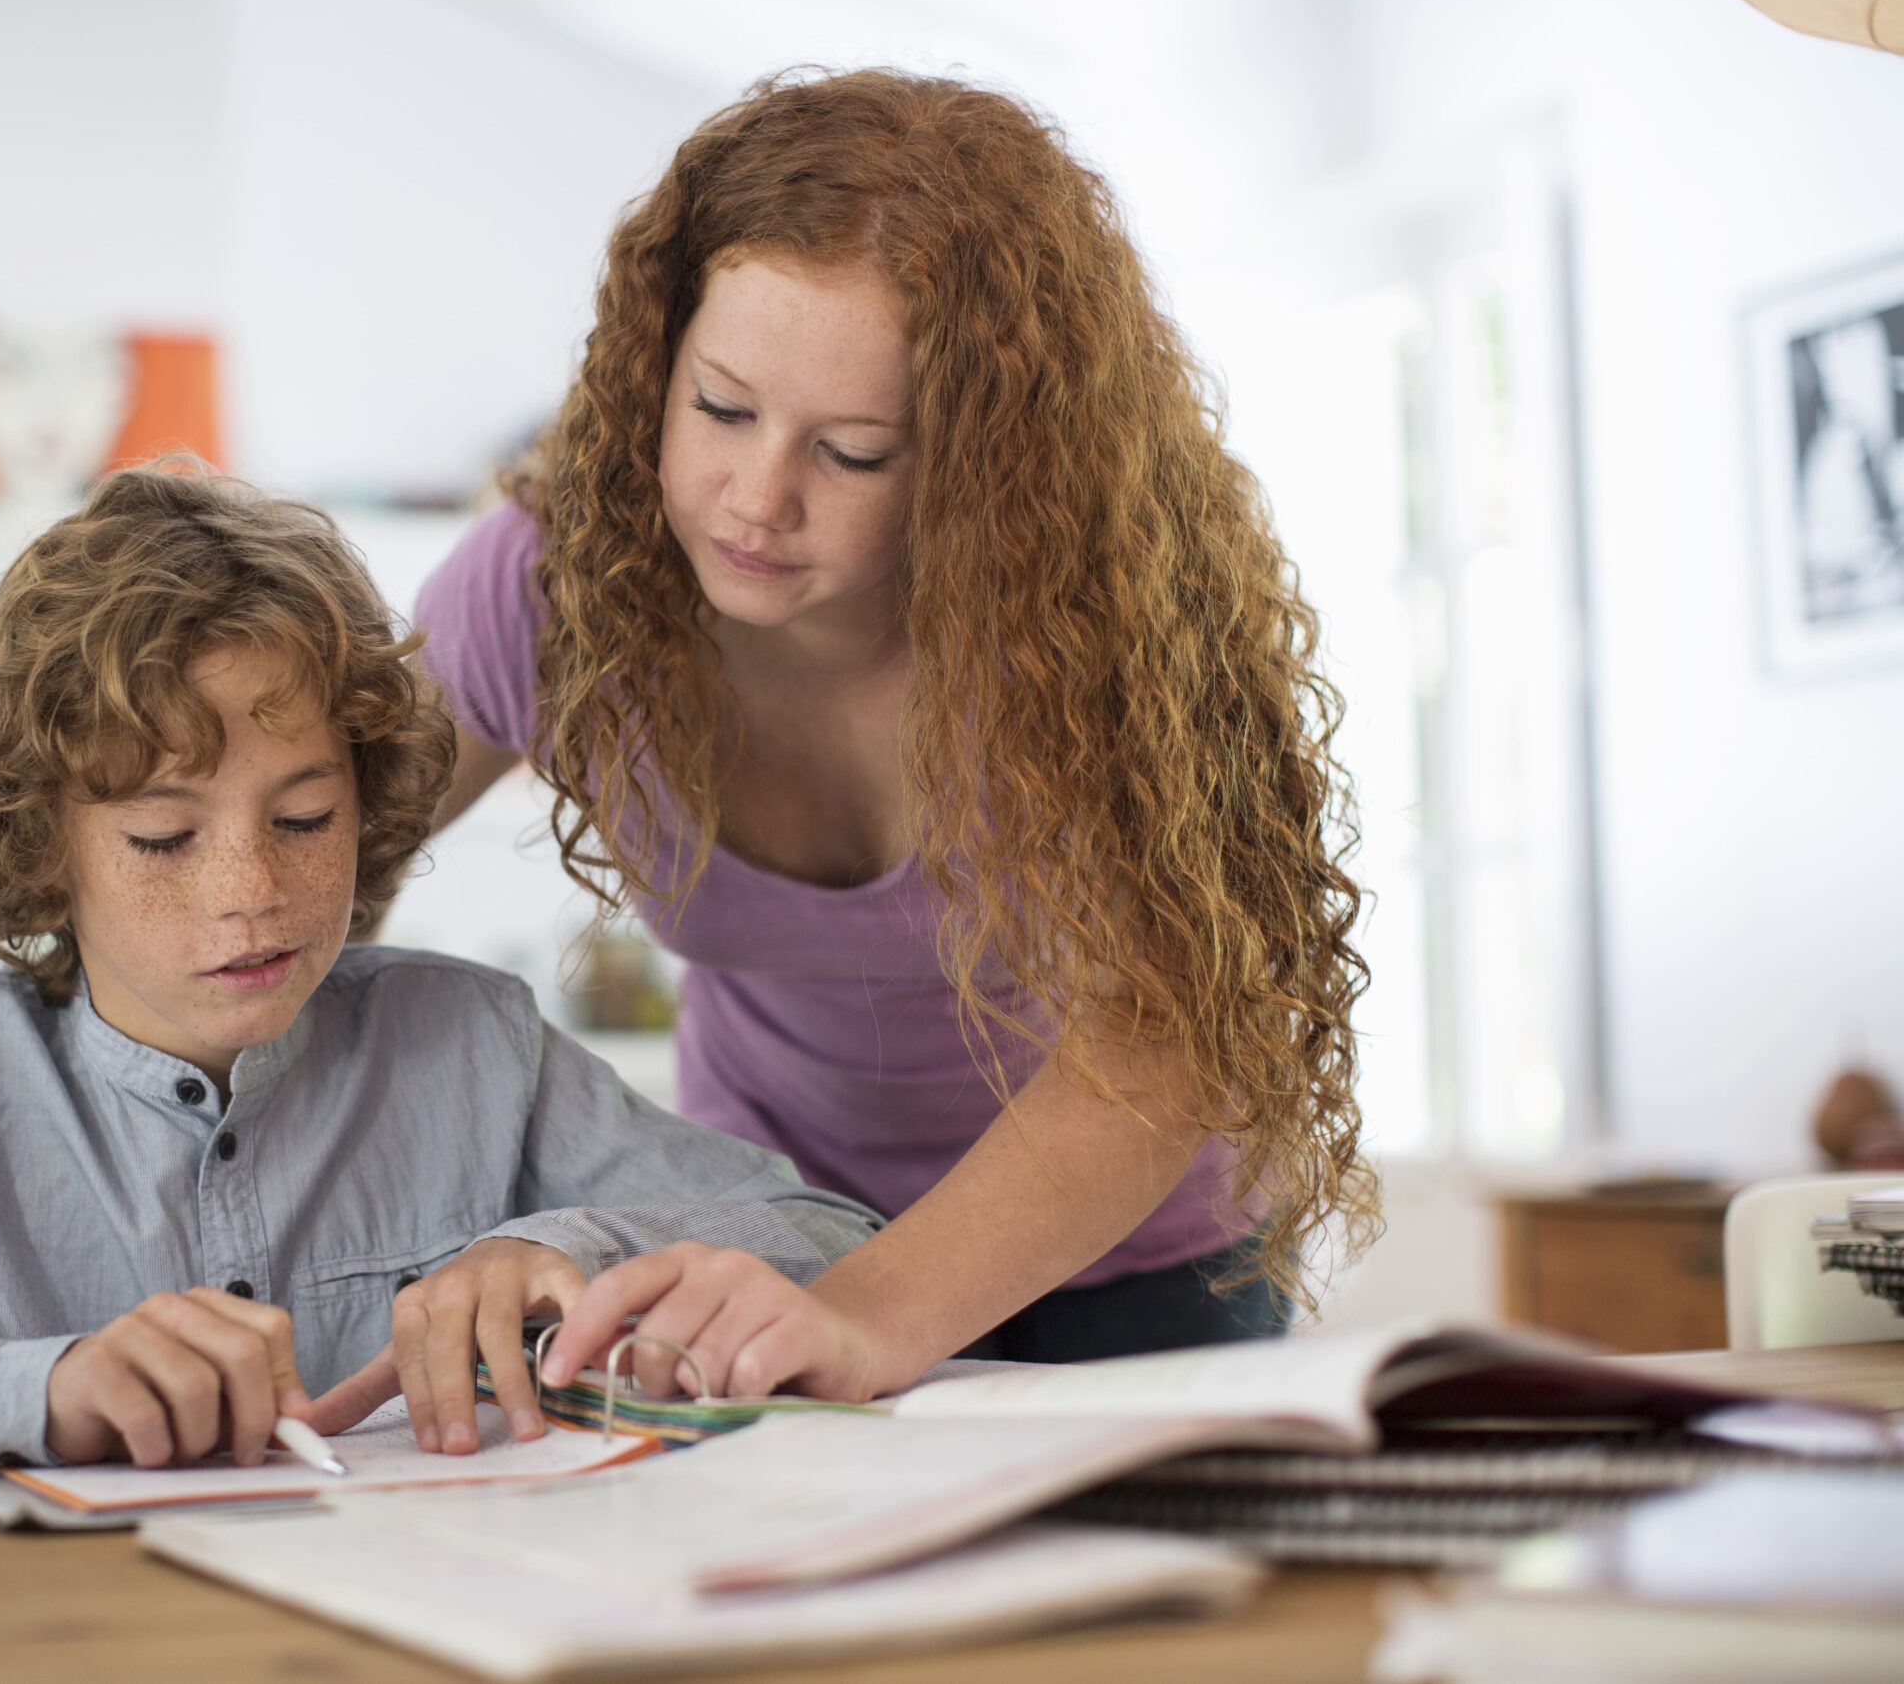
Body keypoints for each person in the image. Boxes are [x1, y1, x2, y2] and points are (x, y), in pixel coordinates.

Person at [0, 463, 880, 1477]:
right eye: (161, 836)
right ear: (47, 847)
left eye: (306, 820)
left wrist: (576, 1241)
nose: (249, 892)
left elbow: (837, 1244)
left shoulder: (475, 1046)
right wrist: (28, 1386)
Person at [405, 68, 1378, 1410]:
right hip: (772, 1227)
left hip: (1137, 1264)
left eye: (855, 453)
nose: (758, 499)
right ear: (656, 364)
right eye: (723, 408)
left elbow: (1155, 1046)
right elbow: (297, 838)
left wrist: (867, 1318)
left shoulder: (1098, 637)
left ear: (985, 463)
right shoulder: (549, 587)